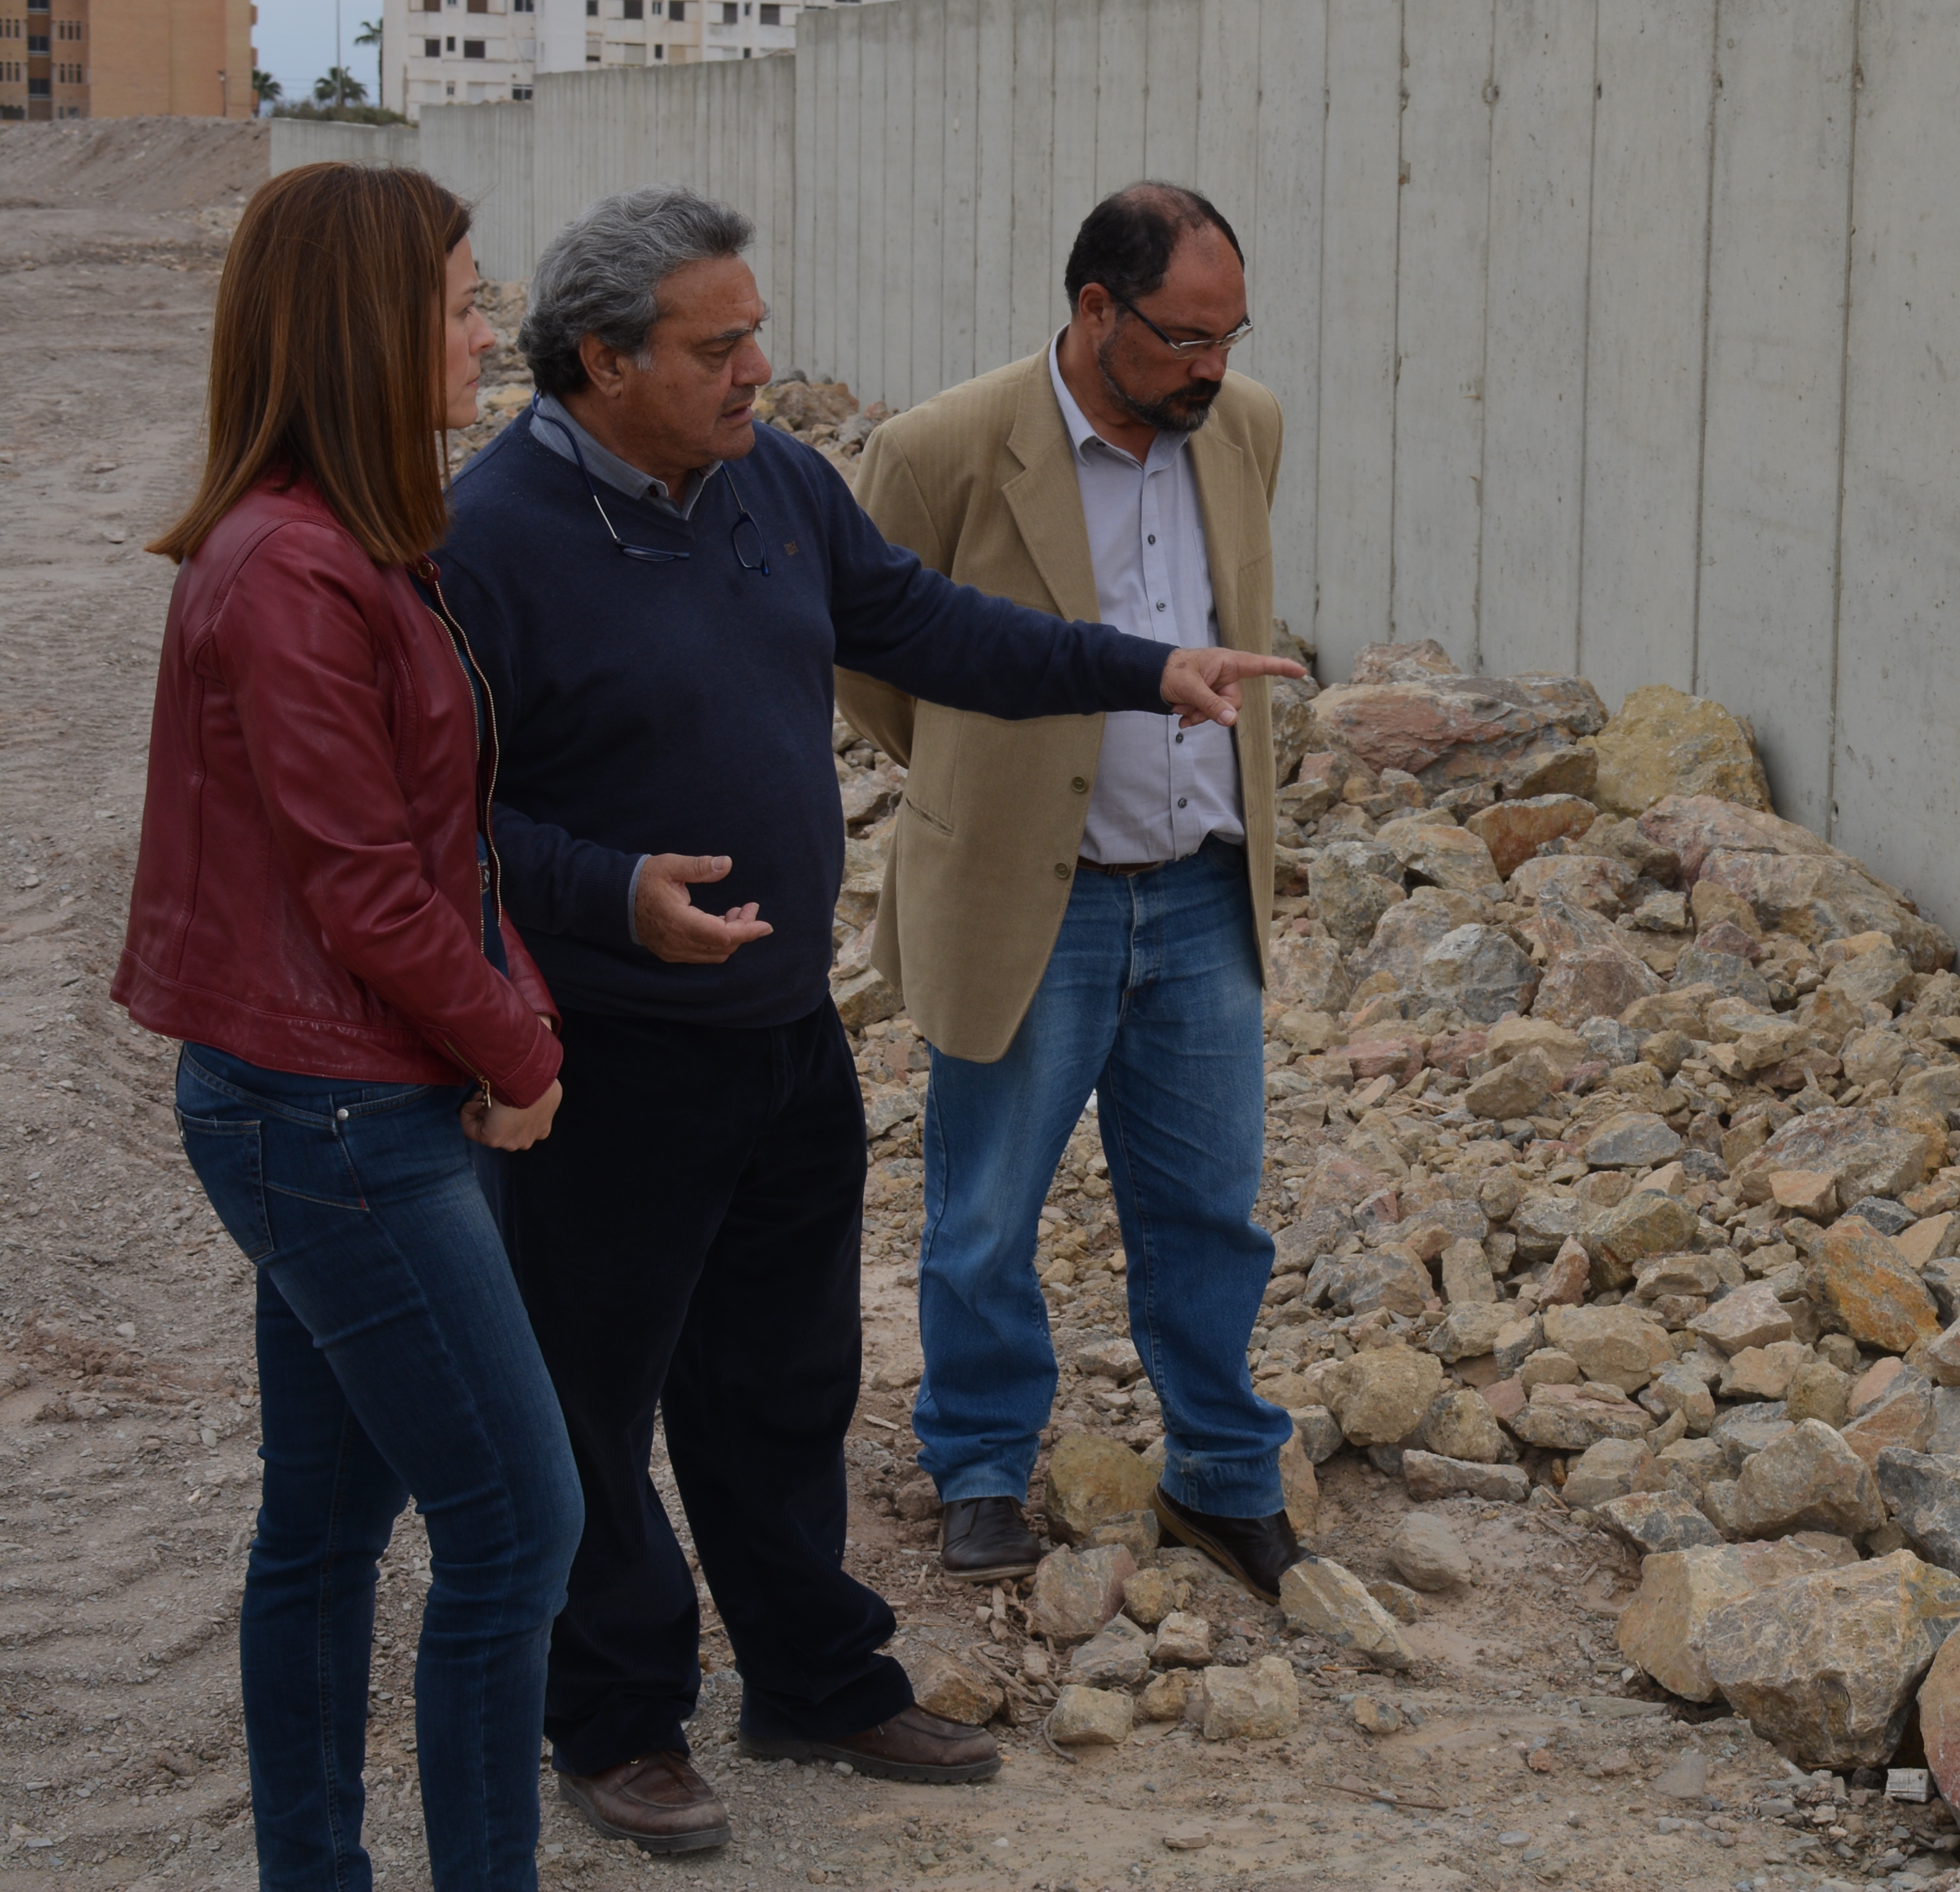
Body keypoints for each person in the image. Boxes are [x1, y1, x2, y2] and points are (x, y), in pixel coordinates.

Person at [434, 185, 1296, 1857]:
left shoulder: (771, 484)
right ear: (604, 363)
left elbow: (915, 627)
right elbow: (448, 822)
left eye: (756, 331)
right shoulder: (493, 542)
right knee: (592, 1404)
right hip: (601, 1055)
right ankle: (612, 1718)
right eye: (719, 345)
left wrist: (1143, 671)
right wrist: (614, 894)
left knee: (782, 1379)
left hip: (779, 1033)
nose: (762, 365)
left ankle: (812, 1676)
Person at [118, 164, 581, 1891]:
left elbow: (435, 851)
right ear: (365, 327)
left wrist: (510, 1005)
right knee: (520, 1529)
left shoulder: (346, 546)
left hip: (336, 1096)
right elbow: (365, 893)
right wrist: (522, 1054)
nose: (486, 329)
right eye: (462, 299)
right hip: (328, 1117)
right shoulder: (291, 573)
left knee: (325, 1529)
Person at [838, 182, 1307, 1595]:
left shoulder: (1246, 428)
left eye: (1229, 336)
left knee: (1213, 1208)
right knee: (986, 1205)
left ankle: (1223, 1474)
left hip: (1204, 887)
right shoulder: (942, 448)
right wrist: (986, 793)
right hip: (1033, 897)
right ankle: (980, 1461)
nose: (1209, 369)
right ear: (1094, 309)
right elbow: (869, 653)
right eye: (1181, 338)